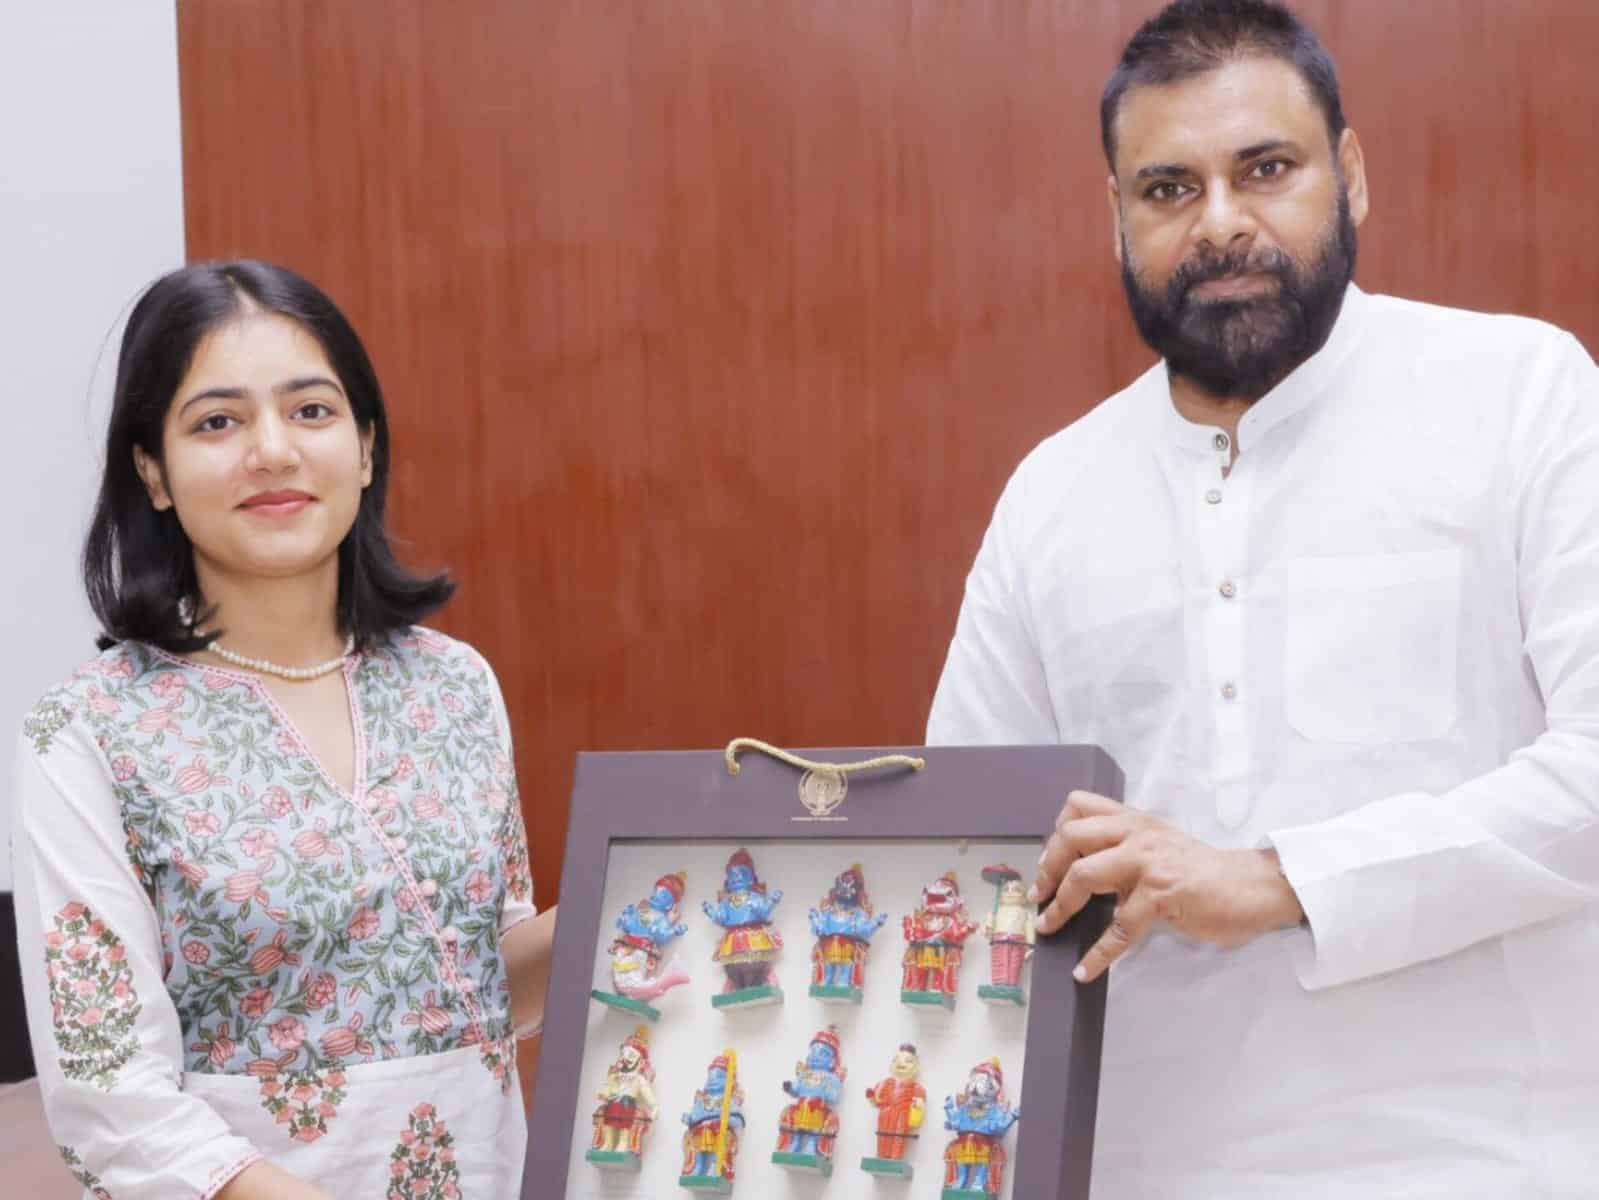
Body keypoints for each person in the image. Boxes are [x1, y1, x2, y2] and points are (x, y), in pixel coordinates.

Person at [926, 1, 1599, 1195]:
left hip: (1487, 1158)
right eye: (1169, 189)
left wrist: (1276, 878)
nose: (1221, 223)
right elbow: (968, 853)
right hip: (1137, 1167)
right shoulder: (1052, 497)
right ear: (1117, 216)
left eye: (1266, 169)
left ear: (1351, 175)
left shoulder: (1520, 395)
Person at [11, 260, 556, 1199]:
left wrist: (644, 892)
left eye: (310, 411)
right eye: (216, 422)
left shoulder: (455, 685)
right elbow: (110, 1097)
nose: (272, 451)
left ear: (366, 447)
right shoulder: (89, 729)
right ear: (153, 472)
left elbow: (475, 989)